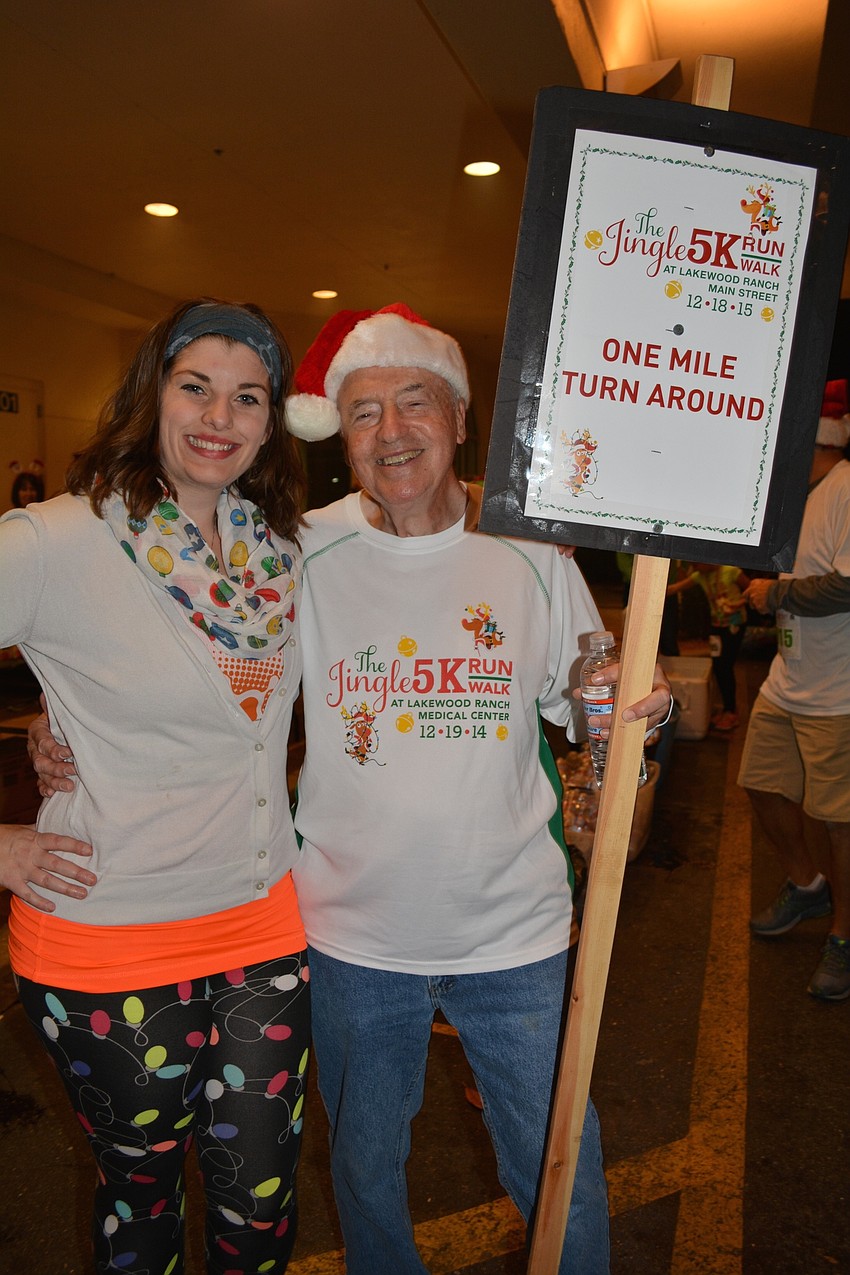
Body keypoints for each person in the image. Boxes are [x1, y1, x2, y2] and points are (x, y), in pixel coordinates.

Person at [24, 302, 672, 1274]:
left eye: (415, 403)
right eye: (363, 413)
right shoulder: (296, 551)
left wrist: (630, 713)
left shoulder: (534, 557)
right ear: (339, 437)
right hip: (349, 936)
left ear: (459, 419)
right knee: (367, 1171)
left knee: (557, 1169)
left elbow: (590, 711)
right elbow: (173, 646)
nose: (392, 432)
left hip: (518, 935)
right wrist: (60, 721)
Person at [0, 299, 311, 1274]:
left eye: (247, 396)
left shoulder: (281, 554)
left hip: (263, 920)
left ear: (270, 423)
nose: (219, 415)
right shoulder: (58, 539)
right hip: (109, 934)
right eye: (195, 386)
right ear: (152, 395)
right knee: (141, 1206)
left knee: (260, 1207)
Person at [741, 377, 850, 1002]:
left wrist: (775, 593)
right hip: (790, 681)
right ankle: (807, 887)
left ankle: (844, 932)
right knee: (761, 781)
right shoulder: (803, 495)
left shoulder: (843, 490)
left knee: (839, 821)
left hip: (838, 690)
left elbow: (843, 585)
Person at [667, 560, 751, 731]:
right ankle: (726, 708)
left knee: (725, 666)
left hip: (733, 625)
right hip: (716, 626)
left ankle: (731, 711)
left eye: (696, 565)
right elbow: (675, 588)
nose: (694, 569)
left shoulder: (731, 570)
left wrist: (737, 604)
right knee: (717, 666)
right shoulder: (700, 576)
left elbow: (751, 591)